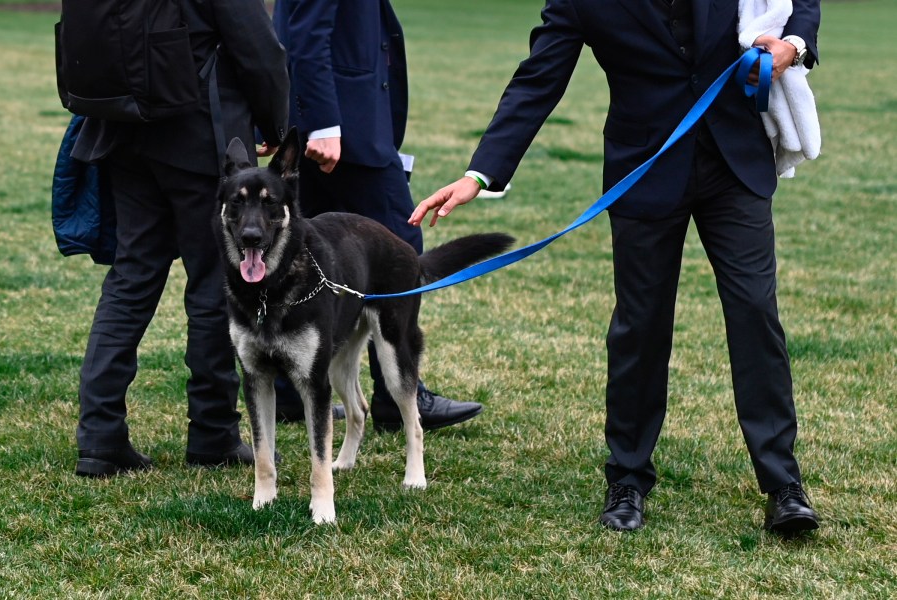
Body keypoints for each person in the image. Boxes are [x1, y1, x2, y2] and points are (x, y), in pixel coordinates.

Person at [411, 0, 821, 534]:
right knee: (640, 324)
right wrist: (481, 174)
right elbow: (539, 78)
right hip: (645, 168)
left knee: (755, 313)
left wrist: (795, 45)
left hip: (734, 163)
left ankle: (783, 483)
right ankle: (627, 478)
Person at [72, 0, 289, 477]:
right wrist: (275, 123)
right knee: (214, 284)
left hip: (124, 131)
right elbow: (259, 49)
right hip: (199, 135)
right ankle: (213, 432)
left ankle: (99, 436)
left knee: (131, 278)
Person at [270, 0, 483, 432]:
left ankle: (292, 388)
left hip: (332, 118)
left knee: (307, 250)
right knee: (401, 250)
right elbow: (307, 29)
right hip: (343, 128)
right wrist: (326, 124)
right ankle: (397, 393)